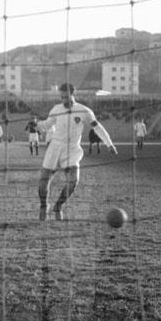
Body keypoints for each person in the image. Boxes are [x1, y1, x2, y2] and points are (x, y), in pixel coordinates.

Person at [37, 83, 117, 221]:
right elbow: (47, 125)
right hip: (54, 148)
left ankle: (58, 206)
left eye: (66, 97)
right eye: (62, 97)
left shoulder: (84, 111)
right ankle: (44, 206)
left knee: (73, 181)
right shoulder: (56, 109)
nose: (64, 100)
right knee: (44, 180)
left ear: (73, 94)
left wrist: (109, 143)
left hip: (72, 150)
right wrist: (37, 125)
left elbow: (97, 127)